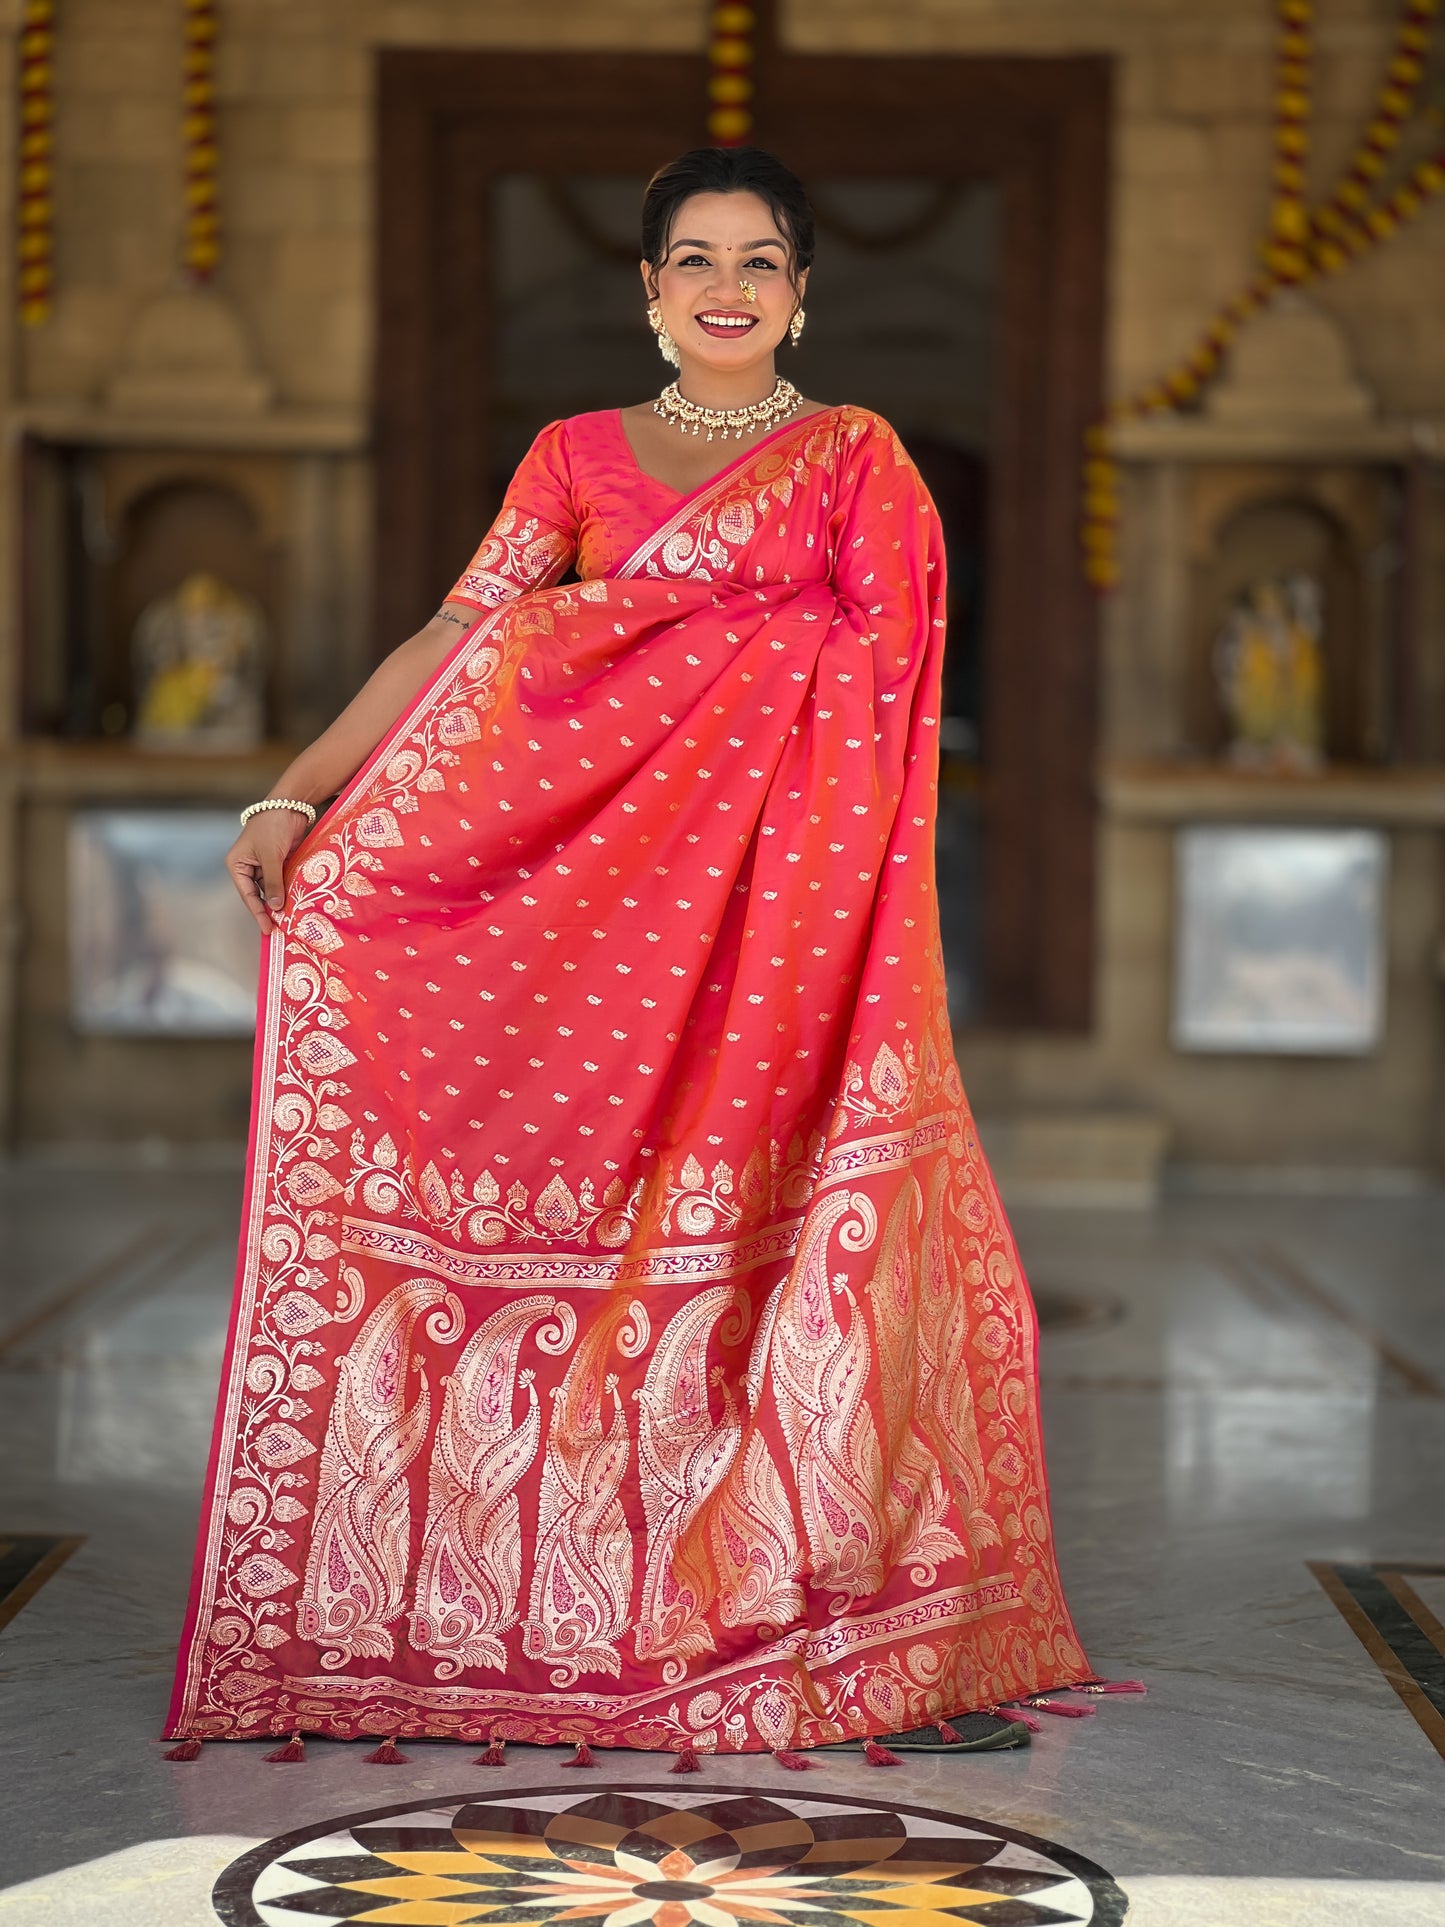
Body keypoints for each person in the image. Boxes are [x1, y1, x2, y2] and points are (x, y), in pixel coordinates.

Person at [165, 147, 1094, 1764]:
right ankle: (529, 1595)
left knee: (783, 1222)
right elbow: (462, 636)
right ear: (646, 290)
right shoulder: (575, 453)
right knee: (573, 1206)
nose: (724, 288)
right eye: (691, 260)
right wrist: (295, 793)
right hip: (597, 923)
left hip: (786, 921)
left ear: (804, 290)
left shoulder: (853, 457)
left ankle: (804, 1588)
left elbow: (881, 683)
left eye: (757, 261)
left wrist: (652, 637)